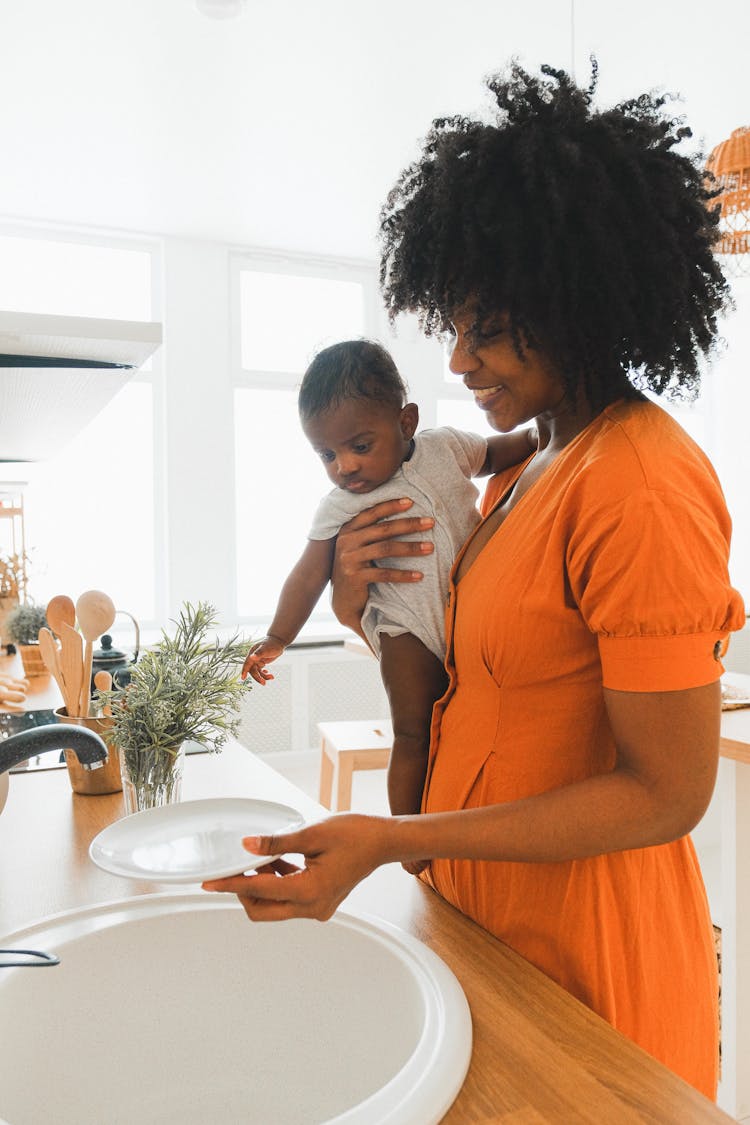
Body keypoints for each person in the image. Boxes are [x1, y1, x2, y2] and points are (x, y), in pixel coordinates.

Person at [206, 61, 746, 1098]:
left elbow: (667, 792)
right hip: (484, 916)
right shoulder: (534, 464)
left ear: (579, 300)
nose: (456, 362)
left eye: (484, 327)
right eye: (453, 326)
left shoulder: (639, 479)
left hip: (585, 954)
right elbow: (495, 683)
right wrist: (362, 611)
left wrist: (394, 835)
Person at [242, 338, 536, 824]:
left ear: (406, 423)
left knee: (473, 721)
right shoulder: (339, 505)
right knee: (414, 732)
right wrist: (278, 637)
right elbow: (308, 574)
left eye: (360, 446)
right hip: (406, 629)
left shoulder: (446, 448)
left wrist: (543, 438)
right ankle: (404, 834)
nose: (345, 467)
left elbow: (497, 452)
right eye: (327, 455)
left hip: (474, 619)